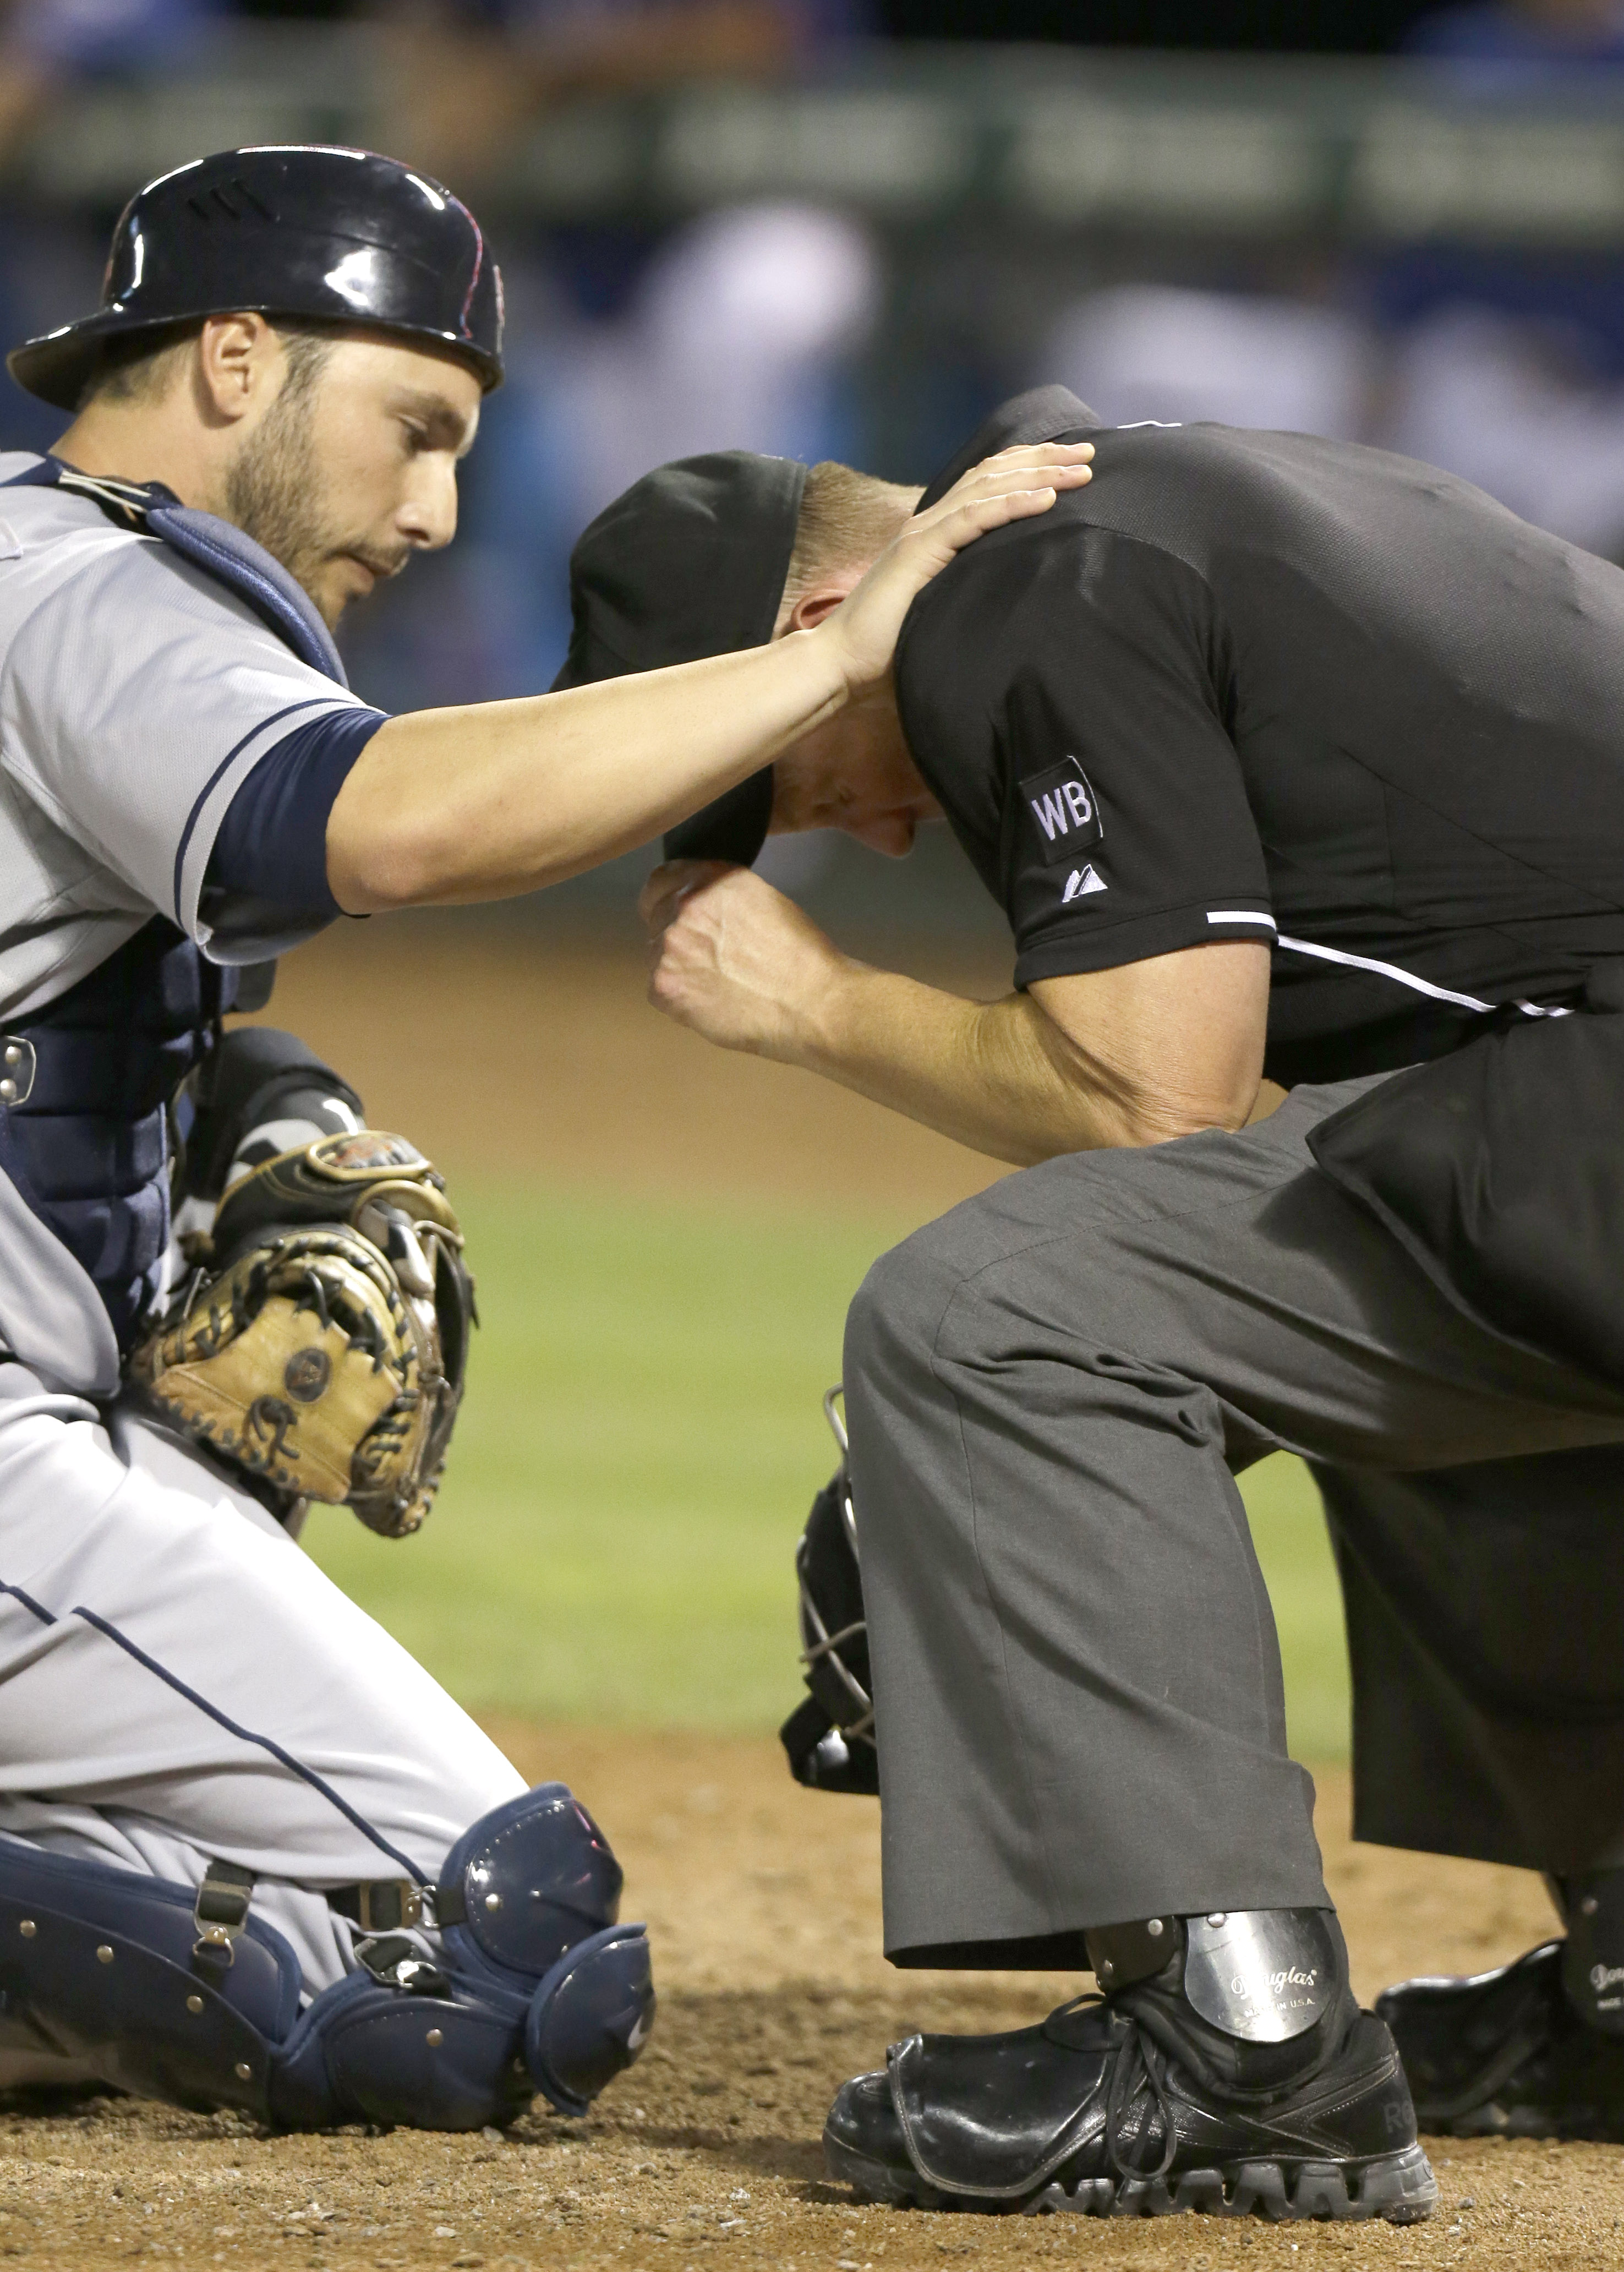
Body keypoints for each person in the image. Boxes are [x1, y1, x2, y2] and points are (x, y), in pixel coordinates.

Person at [568, 384, 1624, 2220]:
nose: (853, 837)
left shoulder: (1017, 585)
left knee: (988, 1320)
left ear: (813, 632)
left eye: (772, 781)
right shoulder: (1155, 493)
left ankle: (1237, 2050)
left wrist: (809, 1006)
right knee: (1395, 1231)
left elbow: (1149, 1099)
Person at [0, 143, 1085, 2131]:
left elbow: (122, 997)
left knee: (204, 1926)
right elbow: (383, 826)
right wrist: (834, 661)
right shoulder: (91, 585)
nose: (433, 512)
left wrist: (293, 1105)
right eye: (413, 428)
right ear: (236, 360)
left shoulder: (35, 566)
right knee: (509, 1954)